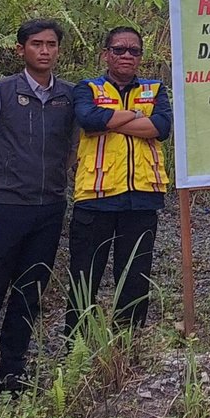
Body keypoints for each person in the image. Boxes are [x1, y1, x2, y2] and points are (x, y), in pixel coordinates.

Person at [0, 19, 78, 413]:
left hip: (48, 209)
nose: (44, 51)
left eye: (51, 45)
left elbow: (75, 146)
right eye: (36, 44)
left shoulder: (69, 96)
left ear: (59, 50)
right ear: (20, 50)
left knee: (29, 295)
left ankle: (12, 372)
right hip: (5, 210)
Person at [67, 27, 172, 334]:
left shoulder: (156, 89)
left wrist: (112, 119)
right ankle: (78, 345)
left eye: (134, 51)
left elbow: (162, 127)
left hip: (142, 197)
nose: (127, 55)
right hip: (95, 197)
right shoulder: (87, 88)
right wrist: (138, 116)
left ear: (141, 56)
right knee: (85, 276)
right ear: (105, 54)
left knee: (136, 276)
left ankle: (128, 342)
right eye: (119, 50)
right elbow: (89, 120)